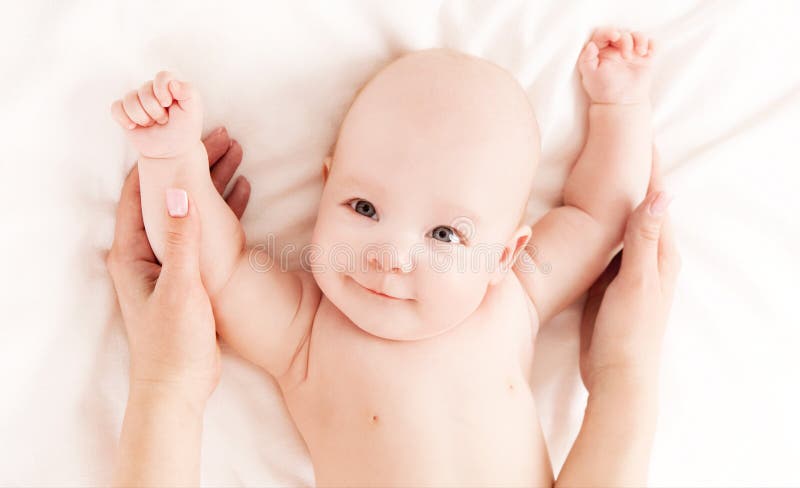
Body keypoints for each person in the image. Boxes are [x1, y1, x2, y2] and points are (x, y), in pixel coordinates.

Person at [109, 26, 678, 485]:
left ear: (504, 255)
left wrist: (619, 108)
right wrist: (169, 158)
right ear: (326, 187)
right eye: (363, 207)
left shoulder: (515, 299)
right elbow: (213, 268)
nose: (391, 257)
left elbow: (597, 218)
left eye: (445, 235)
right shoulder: (306, 331)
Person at [106, 128, 249, 486]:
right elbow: (227, 277)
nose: (384, 259)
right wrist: (173, 167)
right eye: (363, 208)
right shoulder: (311, 326)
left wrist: (166, 377)